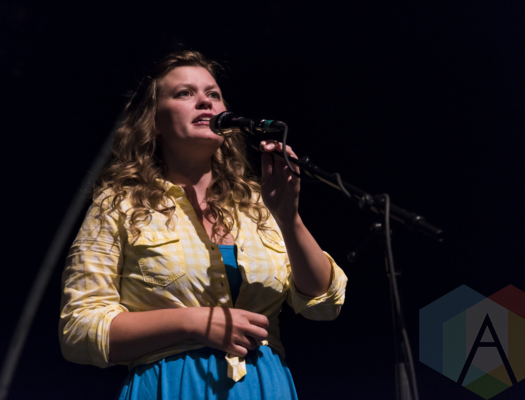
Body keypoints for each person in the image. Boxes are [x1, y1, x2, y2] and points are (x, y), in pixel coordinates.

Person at [59, 50, 348, 399]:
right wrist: (193, 322)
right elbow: (79, 330)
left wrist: (289, 218)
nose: (205, 102)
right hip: (172, 386)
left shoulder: (256, 203)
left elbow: (324, 304)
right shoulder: (119, 204)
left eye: (213, 94)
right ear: (154, 122)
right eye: (185, 93)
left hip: (263, 386)